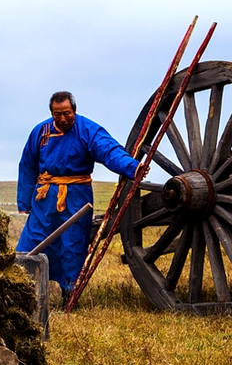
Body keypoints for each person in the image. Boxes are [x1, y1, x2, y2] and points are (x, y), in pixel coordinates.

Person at [16, 91, 141, 303]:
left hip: (76, 198)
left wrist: (132, 167)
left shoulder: (87, 130)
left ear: (74, 110)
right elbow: (27, 166)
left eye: (67, 113)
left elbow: (109, 150)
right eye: (57, 114)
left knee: (72, 245)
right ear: (51, 114)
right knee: (33, 241)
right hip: (44, 198)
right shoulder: (41, 132)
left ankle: (69, 295)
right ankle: (23, 291)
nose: (63, 119)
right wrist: (24, 201)